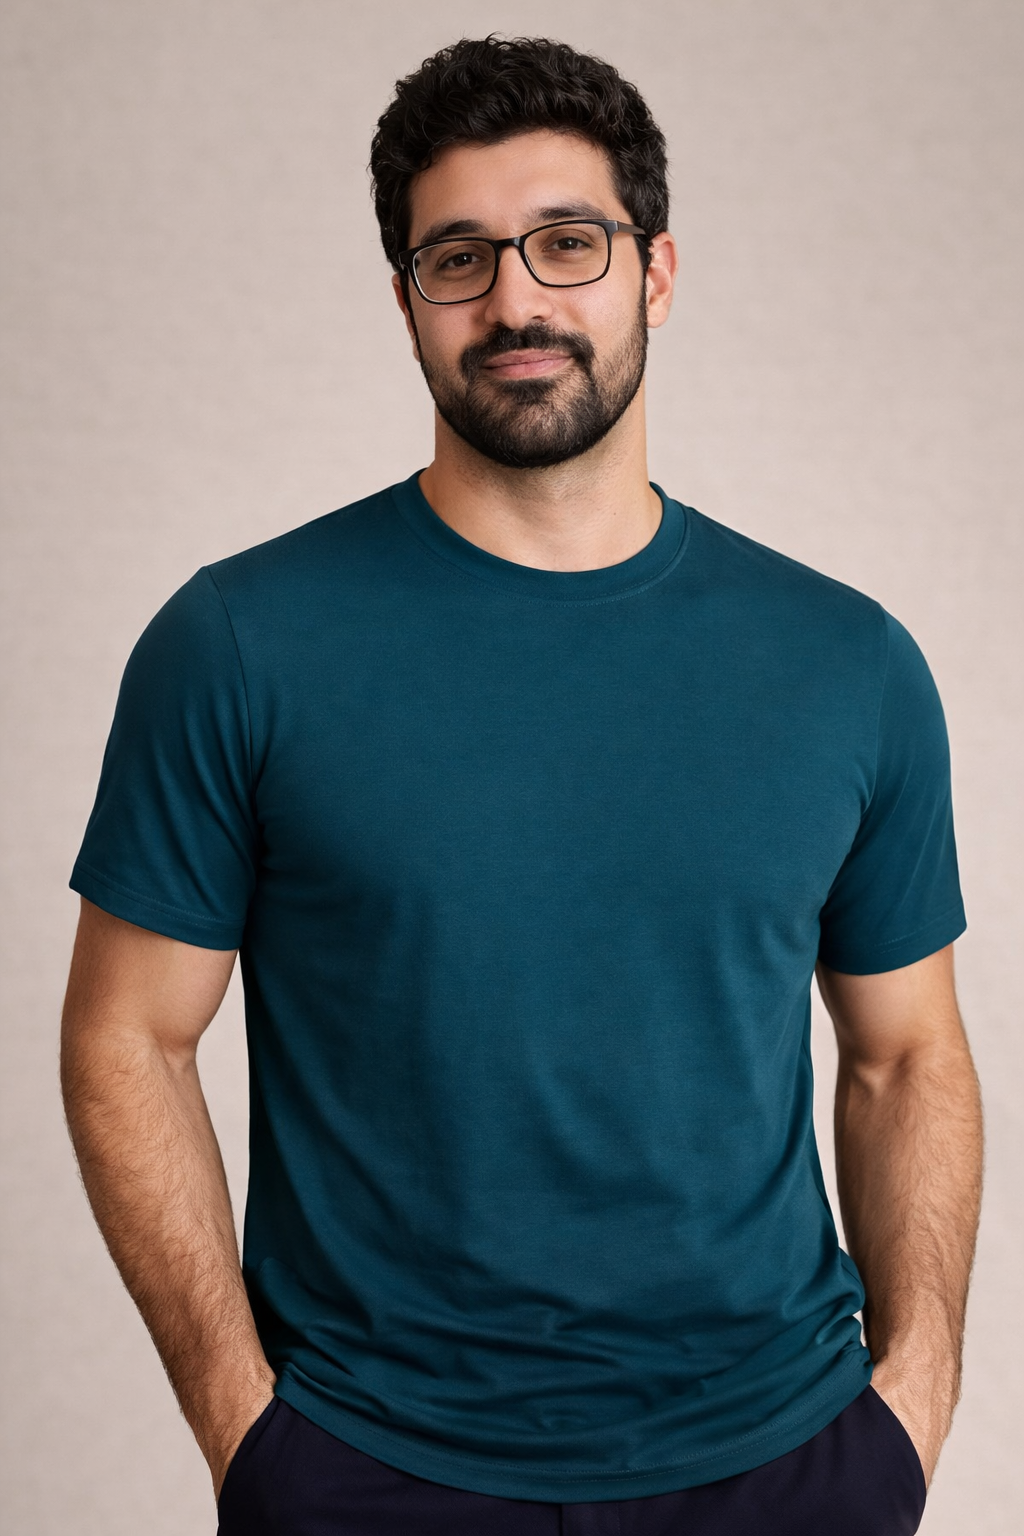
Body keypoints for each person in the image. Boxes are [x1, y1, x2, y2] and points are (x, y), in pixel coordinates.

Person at [60, 35, 982, 1536]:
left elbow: (906, 1058)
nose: (517, 301)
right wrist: (250, 1435)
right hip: (372, 1469)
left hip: (787, 1463)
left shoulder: (847, 662)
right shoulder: (239, 642)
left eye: (568, 244)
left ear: (655, 272)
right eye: (459, 259)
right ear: (407, 299)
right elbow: (125, 1036)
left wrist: (914, 1401)